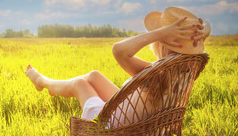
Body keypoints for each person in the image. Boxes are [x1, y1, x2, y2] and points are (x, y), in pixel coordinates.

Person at [25, 7, 211, 124]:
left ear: (161, 42)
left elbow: (118, 50)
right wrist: (198, 32)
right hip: (134, 123)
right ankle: (49, 85)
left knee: (79, 84)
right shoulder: (182, 71)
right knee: (94, 76)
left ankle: (43, 81)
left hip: (113, 133)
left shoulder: (154, 74)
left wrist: (160, 33)